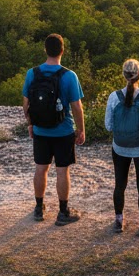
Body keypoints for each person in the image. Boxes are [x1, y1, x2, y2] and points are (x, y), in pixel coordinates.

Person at [22, 33, 85, 225]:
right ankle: (63, 212)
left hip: (41, 131)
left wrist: (31, 124)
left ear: (45, 50)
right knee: (62, 170)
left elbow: (26, 104)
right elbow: (76, 106)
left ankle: (39, 208)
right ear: (62, 51)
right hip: (63, 131)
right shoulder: (69, 75)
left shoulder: (32, 73)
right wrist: (81, 129)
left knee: (41, 169)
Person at [104, 58, 139, 236]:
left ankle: (119, 221)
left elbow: (108, 126)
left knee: (120, 184)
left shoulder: (114, 97)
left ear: (123, 75)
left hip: (119, 148)